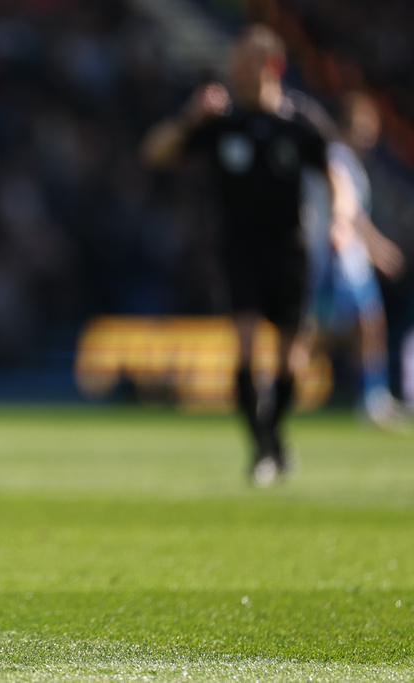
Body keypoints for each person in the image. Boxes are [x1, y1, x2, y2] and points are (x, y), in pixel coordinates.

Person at [140, 25, 355, 486]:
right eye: (235, 63)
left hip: (290, 249)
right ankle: (260, 449)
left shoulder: (300, 122)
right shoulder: (221, 121)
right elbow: (155, 154)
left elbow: (336, 177)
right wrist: (190, 118)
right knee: (243, 346)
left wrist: (339, 221)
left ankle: (273, 437)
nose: (236, 72)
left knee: (293, 359)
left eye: (245, 64)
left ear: (271, 67)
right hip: (238, 248)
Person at [301, 91, 408, 429]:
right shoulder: (335, 157)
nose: (371, 133)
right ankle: (280, 384)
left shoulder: (348, 161)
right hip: (336, 258)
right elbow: (352, 214)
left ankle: (373, 398)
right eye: (365, 125)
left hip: (350, 259)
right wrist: (379, 249)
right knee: (336, 330)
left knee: (366, 323)